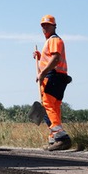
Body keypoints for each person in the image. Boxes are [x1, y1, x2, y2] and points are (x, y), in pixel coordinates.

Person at [33, 14, 72, 151]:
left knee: (47, 107)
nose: (45, 27)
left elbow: (55, 59)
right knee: (54, 108)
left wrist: (42, 73)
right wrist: (40, 57)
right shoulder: (50, 41)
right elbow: (50, 59)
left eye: (47, 25)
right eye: (43, 25)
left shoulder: (54, 40)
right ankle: (54, 139)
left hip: (53, 77)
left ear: (54, 26)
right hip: (58, 77)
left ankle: (61, 137)